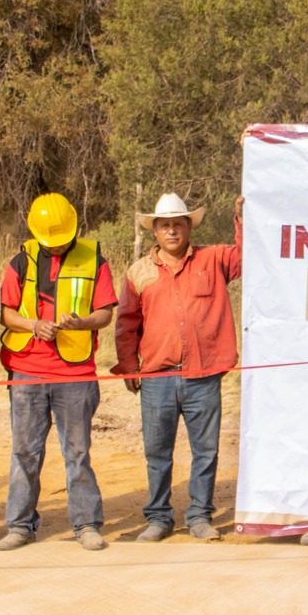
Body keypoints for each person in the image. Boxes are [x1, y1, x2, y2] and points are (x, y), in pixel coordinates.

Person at [116, 192, 244, 543]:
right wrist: (128, 364)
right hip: (157, 376)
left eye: (177, 224)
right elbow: (127, 322)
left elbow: (248, 254)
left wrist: (243, 218)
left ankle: (200, 516)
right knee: (157, 452)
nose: (171, 230)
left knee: (206, 450)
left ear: (189, 227)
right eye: (164, 225)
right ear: (154, 231)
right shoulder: (139, 272)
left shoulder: (213, 258)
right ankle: (159, 517)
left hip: (204, 375)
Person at [0, 192, 116, 551]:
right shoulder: (21, 261)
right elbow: (6, 313)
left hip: (75, 375)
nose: (58, 246)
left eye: (64, 240)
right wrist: (33, 325)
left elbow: (105, 314)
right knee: (25, 452)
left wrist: (81, 323)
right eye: (52, 242)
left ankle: (86, 524)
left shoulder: (94, 260)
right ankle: (20, 525)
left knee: (77, 453)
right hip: (27, 372)